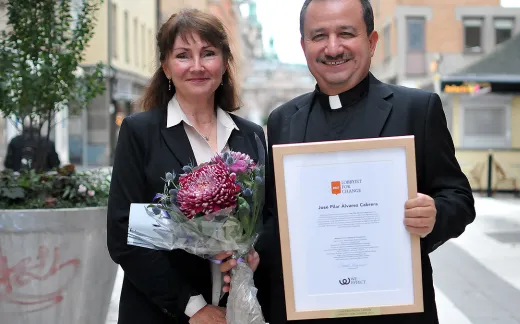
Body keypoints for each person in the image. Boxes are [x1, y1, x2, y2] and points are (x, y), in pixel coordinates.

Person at [220, 0, 476, 323]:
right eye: (319, 36)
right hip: (306, 312)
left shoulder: (416, 109)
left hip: (393, 312)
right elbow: (275, 218)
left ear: (371, 42)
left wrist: (435, 214)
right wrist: (254, 256)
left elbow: (460, 199)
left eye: (346, 33)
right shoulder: (284, 120)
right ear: (303, 46)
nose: (333, 47)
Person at [106, 9, 265, 324]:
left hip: (238, 309)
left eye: (208, 54)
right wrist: (194, 308)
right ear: (165, 66)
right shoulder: (140, 132)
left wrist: (254, 251)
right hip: (163, 312)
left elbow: (267, 218)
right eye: (183, 55)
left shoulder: (250, 135)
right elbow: (124, 232)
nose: (197, 66)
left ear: (224, 63)